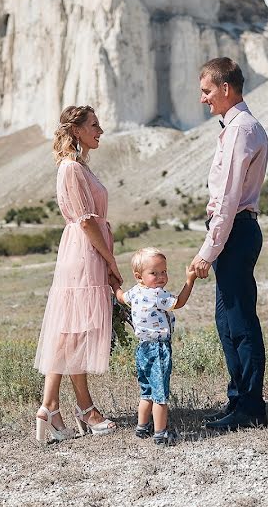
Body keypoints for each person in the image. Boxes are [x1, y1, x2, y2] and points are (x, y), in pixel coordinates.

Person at [189, 57, 268, 430]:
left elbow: (226, 200)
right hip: (234, 230)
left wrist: (208, 251)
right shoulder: (235, 128)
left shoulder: (241, 130)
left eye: (207, 91)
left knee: (239, 321)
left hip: (235, 231)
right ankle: (238, 399)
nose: (204, 99)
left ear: (225, 88)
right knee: (226, 319)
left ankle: (251, 408)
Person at [33, 105, 122, 443]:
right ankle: (73, 408)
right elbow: (85, 220)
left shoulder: (78, 166)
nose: (100, 131)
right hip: (84, 250)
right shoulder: (71, 168)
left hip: (85, 249)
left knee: (72, 331)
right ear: (78, 131)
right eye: (94, 125)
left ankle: (55, 408)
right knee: (73, 331)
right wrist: (111, 261)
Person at [113, 247, 196, 446]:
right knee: (160, 394)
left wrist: (113, 283)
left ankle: (142, 427)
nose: (160, 277)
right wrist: (189, 281)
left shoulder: (134, 292)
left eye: (163, 272)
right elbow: (179, 303)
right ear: (139, 276)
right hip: (158, 349)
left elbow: (121, 297)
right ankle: (161, 433)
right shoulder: (158, 294)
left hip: (142, 349)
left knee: (147, 391)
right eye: (154, 273)